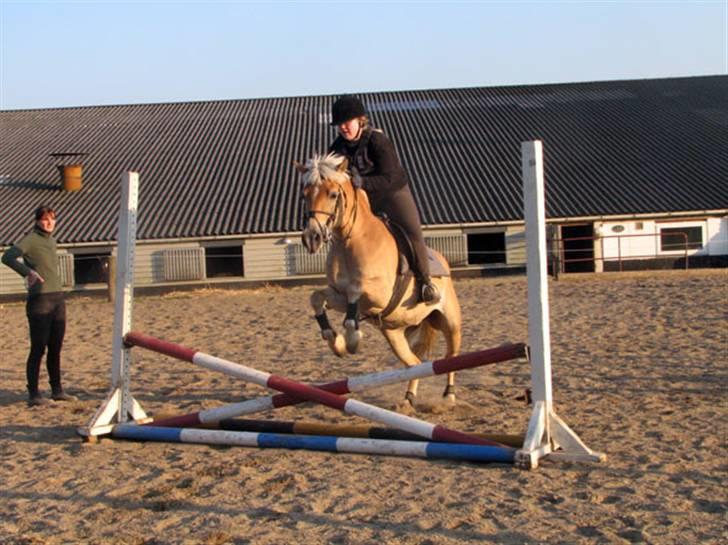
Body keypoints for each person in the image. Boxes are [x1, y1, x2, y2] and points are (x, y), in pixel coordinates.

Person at [328, 95, 441, 303]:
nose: (343, 127)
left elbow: (389, 178)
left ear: (360, 120)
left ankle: (426, 283)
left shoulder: (377, 140)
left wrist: (363, 182)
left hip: (393, 194)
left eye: (347, 122)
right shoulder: (337, 148)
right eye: (340, 124)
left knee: (413, 230)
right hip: (364, 200)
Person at [1, 206, 76, 406]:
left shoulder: (51, 241)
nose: (48, 223)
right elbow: (7, 257)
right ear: (36, 221)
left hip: (58, 299)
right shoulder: (31, 240)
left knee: (56, 347)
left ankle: (57, 390)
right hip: (40, 300)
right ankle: (34, 394)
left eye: (52, 219)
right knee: (38, 348)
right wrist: (28, 273)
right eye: (44, 220)